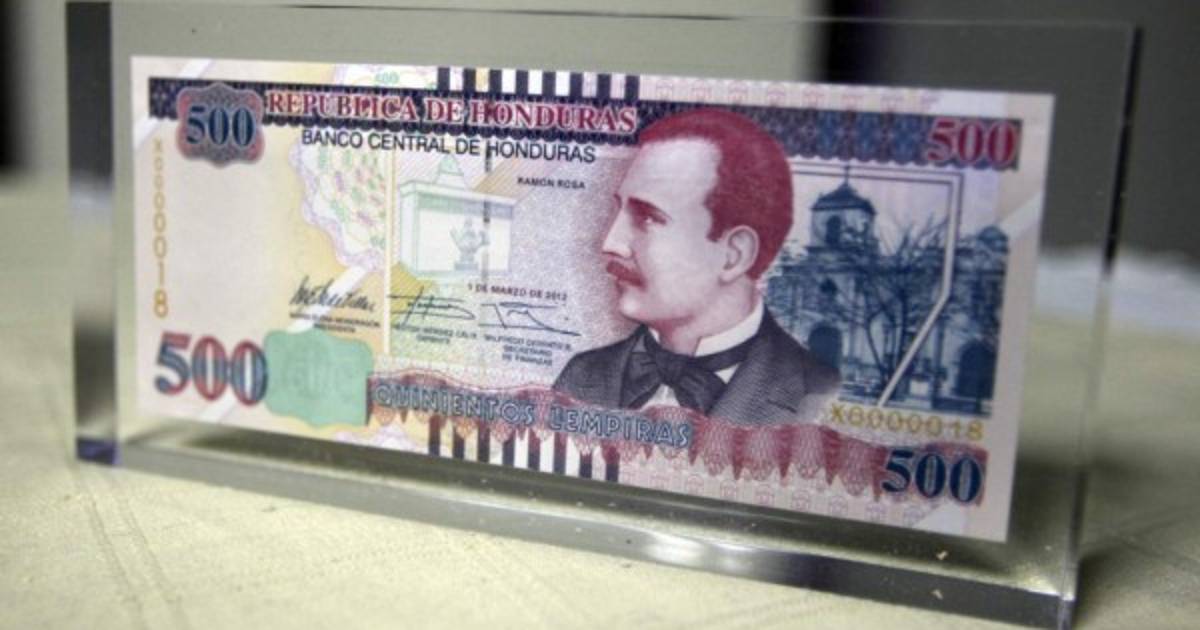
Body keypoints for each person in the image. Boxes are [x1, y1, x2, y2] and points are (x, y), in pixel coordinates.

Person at [554, 108, 840, 426]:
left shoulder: (823, 397)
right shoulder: (579, 376)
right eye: (620, 209)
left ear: (734, 255)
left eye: (648, 217)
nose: (610, 243)